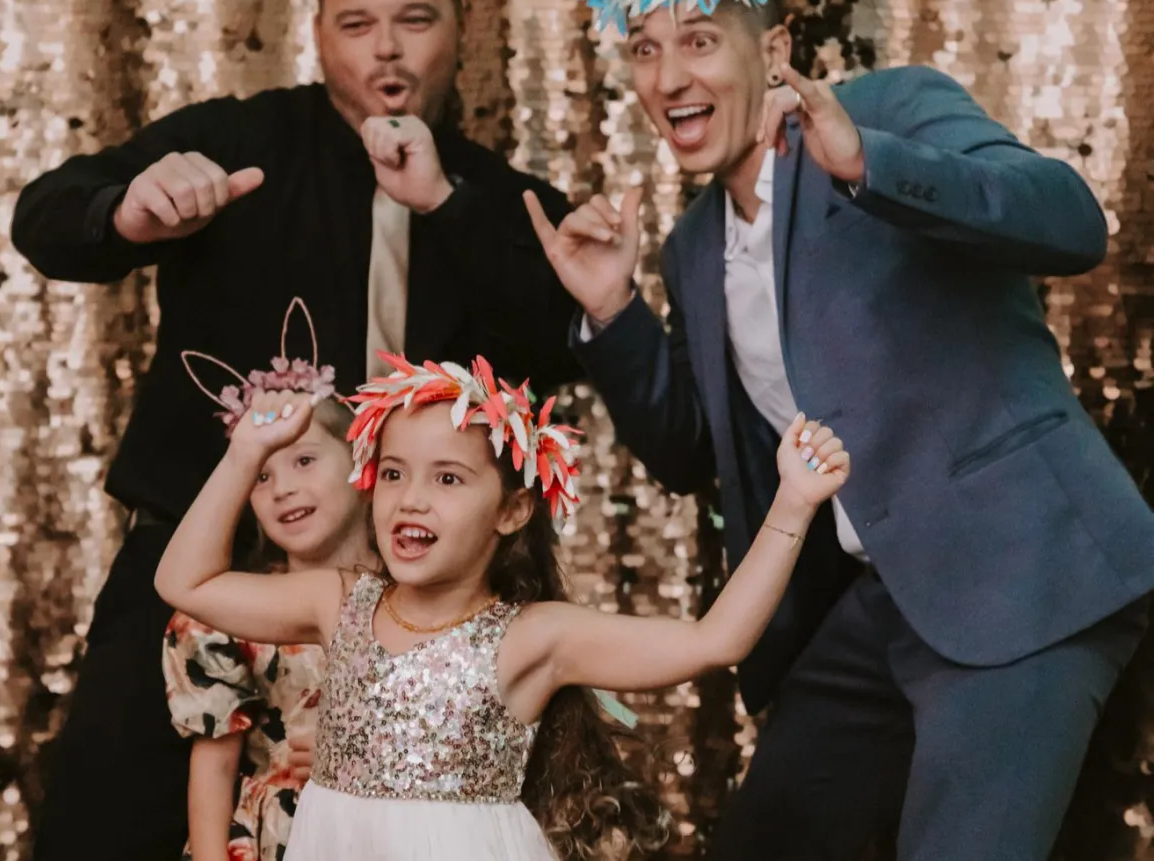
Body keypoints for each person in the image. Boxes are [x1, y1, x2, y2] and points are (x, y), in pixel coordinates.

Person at [524, 0, 1154, 861]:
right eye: (645, 49)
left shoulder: (889, 109)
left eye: (700, 39)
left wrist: (869, 165)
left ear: (774, 48)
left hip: (1023, 570)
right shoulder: (693, 247)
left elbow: (1069, 220)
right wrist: (613, 310)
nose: (670, 76)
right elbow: (694, 452)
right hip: (878, 603)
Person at [10, 0, 580, 861]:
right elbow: (43, 215)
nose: (386, 47)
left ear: (461, 30)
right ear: (318, 36)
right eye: (356, 23)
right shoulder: (243, 145)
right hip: (199, 559)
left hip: (403, 601)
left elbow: (559, 345)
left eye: (416, 18)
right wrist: (126, 214)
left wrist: (444, 207)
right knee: (102, 823)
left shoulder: (504, 202)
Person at [154, 351, 850, 860]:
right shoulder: (340, 601)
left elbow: (716, 640)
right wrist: (244, 454)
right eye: (393, 473)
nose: (411, 499)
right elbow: (186, 582)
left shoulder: (531, 637)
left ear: (513, 510)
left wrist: (793, 502)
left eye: (448, 478)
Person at [162, 298, 378, 861]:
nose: (282, 489)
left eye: (304, 461)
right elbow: (214, 766)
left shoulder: (418, 600)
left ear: (362, 465)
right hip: (284, 838)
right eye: (260, 476)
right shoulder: (231, 615)